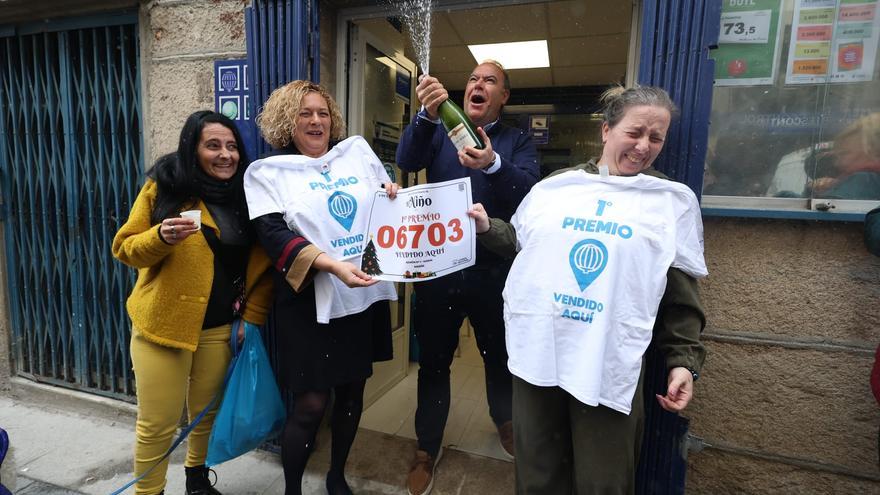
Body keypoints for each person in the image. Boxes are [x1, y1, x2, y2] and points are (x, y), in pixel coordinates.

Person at [470, 85, 707, 494]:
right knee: (538, 473)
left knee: (604, 480)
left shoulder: (670, 201)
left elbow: (680, 296)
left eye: (656, 137)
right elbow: (525, 246)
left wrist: (683, 361)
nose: (643, 146)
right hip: (540, 357)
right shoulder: (556, 187)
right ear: (606, 130)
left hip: (606, 364)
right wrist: (488, 227)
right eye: (635, 132)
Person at [243, 80, 398, 495]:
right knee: (311, 405)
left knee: (351, 394)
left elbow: (385, 207)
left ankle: (336, 476)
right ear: (285, 122)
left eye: (323, 113)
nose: (316, 121)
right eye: (304, 113)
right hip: (308, 304)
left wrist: (392, 197)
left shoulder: (355, 159)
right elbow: (273, 236)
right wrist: (331, 265)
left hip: (359, 297)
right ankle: (293, 488)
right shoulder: (268, 174)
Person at [395, 59, 539, 495]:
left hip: (495, 273)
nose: (478, 85)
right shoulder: (439, 130)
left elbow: (530, 193)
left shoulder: (518, 141)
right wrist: (426, 114)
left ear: (504, 96)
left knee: (499, 359)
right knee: (434, 364)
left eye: (489, 81)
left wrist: (494, 163)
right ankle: (426, 447)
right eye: (472, 78)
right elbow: (406, 159)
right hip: (440, 272)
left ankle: (505, 422)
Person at [112, 110, 274, 495]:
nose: (225, 155)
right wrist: (160, 237)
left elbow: (263, 265)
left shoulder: (247, 196)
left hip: (220, 329)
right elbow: (125, 247)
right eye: (213, 145)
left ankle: (197, 480)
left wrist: (249, 320)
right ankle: (149, 492)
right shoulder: (165, 187)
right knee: (158, 424)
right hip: (162, 328)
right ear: (193, 149)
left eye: (232, 146)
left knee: (206, 416)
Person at [809, 113, 880, 200]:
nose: (836, 163)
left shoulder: (865, 180)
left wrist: (812, 191)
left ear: (871, 151)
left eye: (844, 153)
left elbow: (823, 209)